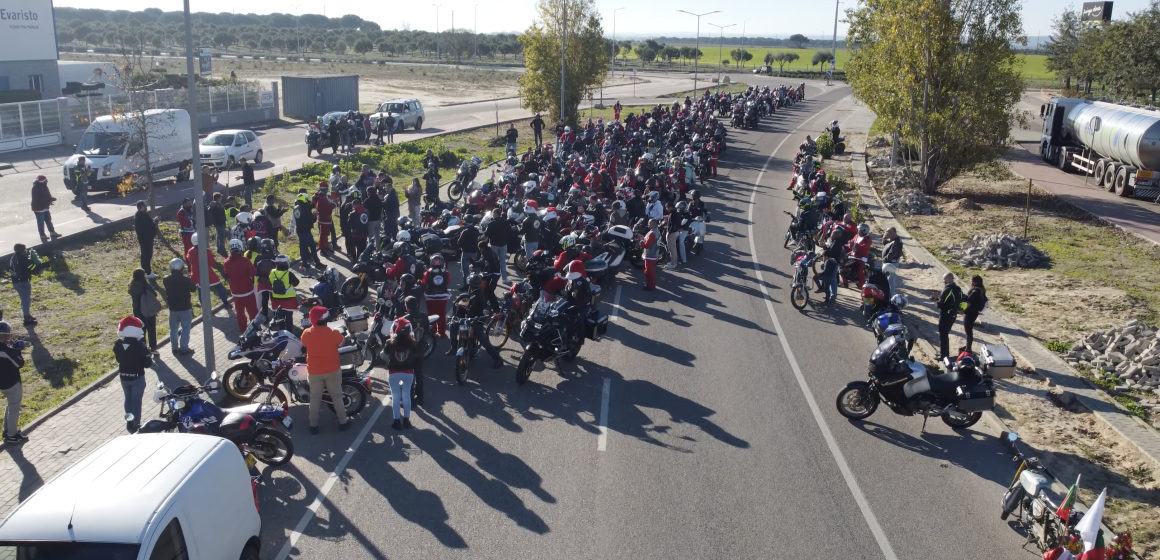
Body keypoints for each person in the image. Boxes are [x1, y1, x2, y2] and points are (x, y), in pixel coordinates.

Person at [300, 306, 350, 434]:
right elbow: (342, 342)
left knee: (315, 398)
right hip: (332, 370)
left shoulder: (307, 333)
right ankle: (343, 422)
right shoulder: (333, 333)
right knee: (337, 396)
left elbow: (304, 343)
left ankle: (313, 425)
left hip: (314, 372)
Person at [445, 274, 504, 368]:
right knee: (452, 325)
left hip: (476, 320)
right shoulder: (473, 292)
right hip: (467, 318)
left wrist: (468, 310)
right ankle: (454, 347)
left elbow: (482, 310)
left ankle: (498, 359)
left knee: (483, 340)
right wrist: (459, 306)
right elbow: (465, 304)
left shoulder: (479, 296)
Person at [113, 316, 153, 433]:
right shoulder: (139, 345)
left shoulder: (118, 344)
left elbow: (119, 359)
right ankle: (135, 425)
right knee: (136, 401)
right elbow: (147, 364)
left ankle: (129, 421)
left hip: (123, 376)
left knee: (128, 399)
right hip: (137, 377)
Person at [384, 317, 423, 430]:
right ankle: (406, 420)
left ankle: (396, 421)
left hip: (393, 372)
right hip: (408, 372)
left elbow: (384, 354)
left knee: (395, 396)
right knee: (406, 396)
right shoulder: (412, 343)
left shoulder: (389, 343)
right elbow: (417, 356)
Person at [223, 240, 259, 335]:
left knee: (239, 312)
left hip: (235, 291)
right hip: (247, 290)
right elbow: (253, 273)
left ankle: (242, 328)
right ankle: (254, 328)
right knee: (252, 311)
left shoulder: (226, 262)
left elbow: (227, 275)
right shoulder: (245, 261)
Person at [0, 321, 27, 444]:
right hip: (11, 382)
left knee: (10, 404)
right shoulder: (6, 350)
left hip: (2, 382)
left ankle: (7, 431)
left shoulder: (5, 348)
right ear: (4, 336)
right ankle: (12, 434)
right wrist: (18, 349)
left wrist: (11, 347)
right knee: (14, 407)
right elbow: (19, 363)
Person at [186, 234, 230, 308]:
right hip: (208, 273)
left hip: (196, 275)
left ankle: (205, 308)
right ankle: (225, 302)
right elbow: (212, 263)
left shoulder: (190, 251)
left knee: (200, 290)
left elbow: (189, 260)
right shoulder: (206, 251)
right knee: (219, 287)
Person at [163, 258, 196, 355]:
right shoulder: (185, 280)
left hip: (173, 308)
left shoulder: (166, 280)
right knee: (185, 329)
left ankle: (174, 347)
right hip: (185, 307)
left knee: (173, 329)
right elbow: (193, 289)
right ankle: (184, 348)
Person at [933, 272, 964, 360]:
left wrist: (935, 299)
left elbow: (940, 304)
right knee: (945, 333)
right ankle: (944, 354)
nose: (943, 281)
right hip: (953, 314)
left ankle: (944, 355)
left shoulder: (947, 289)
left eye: (944, 279)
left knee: (943, 335)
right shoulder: (958, 289)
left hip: (945, 315)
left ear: (947, 279)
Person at [128, 268, 160, 353]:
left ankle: (143, 349)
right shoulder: (145, 285)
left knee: (141, 331)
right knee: (151, 329)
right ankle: (153, 347)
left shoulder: (132, 286)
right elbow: (154, 294)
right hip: (148, 311)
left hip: (137, 312)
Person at [422, 255, 451, 337]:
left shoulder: (427, 273)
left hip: (430, 296)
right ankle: (442, 332)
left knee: (431, 314)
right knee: (442, 314)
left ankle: (433, 330)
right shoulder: (446, 273)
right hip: (443, 296)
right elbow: (448, 281)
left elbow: (424, 283)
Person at [9, 244, 37, 326]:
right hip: (23, 282)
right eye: (25, 250)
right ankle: (27, 317)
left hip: (15, 282)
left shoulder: (13, 258)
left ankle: (27, 314)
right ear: (22, 251)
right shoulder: (22, 259)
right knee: (26, 301)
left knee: (23, 300)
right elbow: (31, 267)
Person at [269, 255, 301, 323]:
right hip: (289, 300)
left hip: (276, 299)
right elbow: (296, 283)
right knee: (289, 318)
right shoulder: (289, 274)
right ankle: (289, 332)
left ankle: (281, 331)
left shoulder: (272, 272)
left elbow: (270, 282)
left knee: (280, 319)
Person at [292, 193, 321, 267]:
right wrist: (315, 216)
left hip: (299, 230)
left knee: (303, 247)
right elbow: (311, 220)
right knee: (312, 246)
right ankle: (317, 263)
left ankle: (304, 263)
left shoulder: (295, 208)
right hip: (306, 231)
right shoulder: (305, 208)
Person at [31, 175, 61, 242]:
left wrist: (51, 199)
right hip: (39, 208)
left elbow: (47, 195)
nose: (47, 181)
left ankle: (52, 232)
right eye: (45, 180)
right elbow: (37, 199)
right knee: (40, 223)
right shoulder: (35, 188)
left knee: (48, 220)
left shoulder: (43, 186)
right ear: (42, 181)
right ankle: (42, 235)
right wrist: (47, 202)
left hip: (45, 207)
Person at [485, 208, 512, 284]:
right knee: (502, 262)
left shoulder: (491, 224)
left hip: (494, 245)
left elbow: (486, 233)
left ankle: (492, 279)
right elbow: (509, 231)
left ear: (495, 214)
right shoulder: (506, 223)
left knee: (494, 263)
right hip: (503, 244)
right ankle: (504, 279)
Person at [134, 201, 159, 278]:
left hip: (143, 238)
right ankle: (148, 272)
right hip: (146, 238)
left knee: (144, 254)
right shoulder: (142, 216)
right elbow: (149, 227)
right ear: (141, 206)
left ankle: (144, 270)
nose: (146, 207)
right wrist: (155, 221)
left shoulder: (138, 215)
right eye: (145, 206)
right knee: (147, 255)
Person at [964, 275, 988, 353]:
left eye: (971, 281)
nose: (970, 282)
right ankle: (968, 346)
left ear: (975, 282)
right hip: (975, 313)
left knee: (968, 331)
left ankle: (968, 348)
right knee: (969, 330)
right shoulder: (981, 291)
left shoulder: (975, 292)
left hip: (969, 313)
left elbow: (967, 300)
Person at [457, 215, 481, 289]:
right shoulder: (476, 230)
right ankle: (475, 284)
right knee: (475, 269)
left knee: (465, 270)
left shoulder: (465, 231)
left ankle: (466, 286)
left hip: (466, 252)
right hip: (474, 251)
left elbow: (459, 242)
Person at [315, 182, 336, 256]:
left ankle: (325, 246)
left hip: (326, 218)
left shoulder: (324, 197)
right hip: (323, 219)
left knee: (326, 234)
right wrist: (334, 204)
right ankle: (322, 249)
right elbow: (329, 206)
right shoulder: (322, 198)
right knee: (322, 235)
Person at [881, 227, 903, 295]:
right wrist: (884, 239)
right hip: (889, 262)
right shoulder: (892, 239)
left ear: (891, 233)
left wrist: (884, 260)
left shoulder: (896, 242)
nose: (886, 233)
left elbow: (891, 254)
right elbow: (885, 244)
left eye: (887, 232)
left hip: (891, 263)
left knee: (891, 278)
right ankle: (887, 292)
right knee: (888, 278)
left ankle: (891, 294)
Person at [642, 219, 660, 290]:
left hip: (650, 255)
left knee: (649, 272)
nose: (648, 224)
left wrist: (641, 242)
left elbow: (647, 245)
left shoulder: (652, 233)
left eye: (649, 223)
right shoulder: (657, 231)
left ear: (654, 224)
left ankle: (650, 286)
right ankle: (650, 285)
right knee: (649, 271)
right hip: (654, 254)